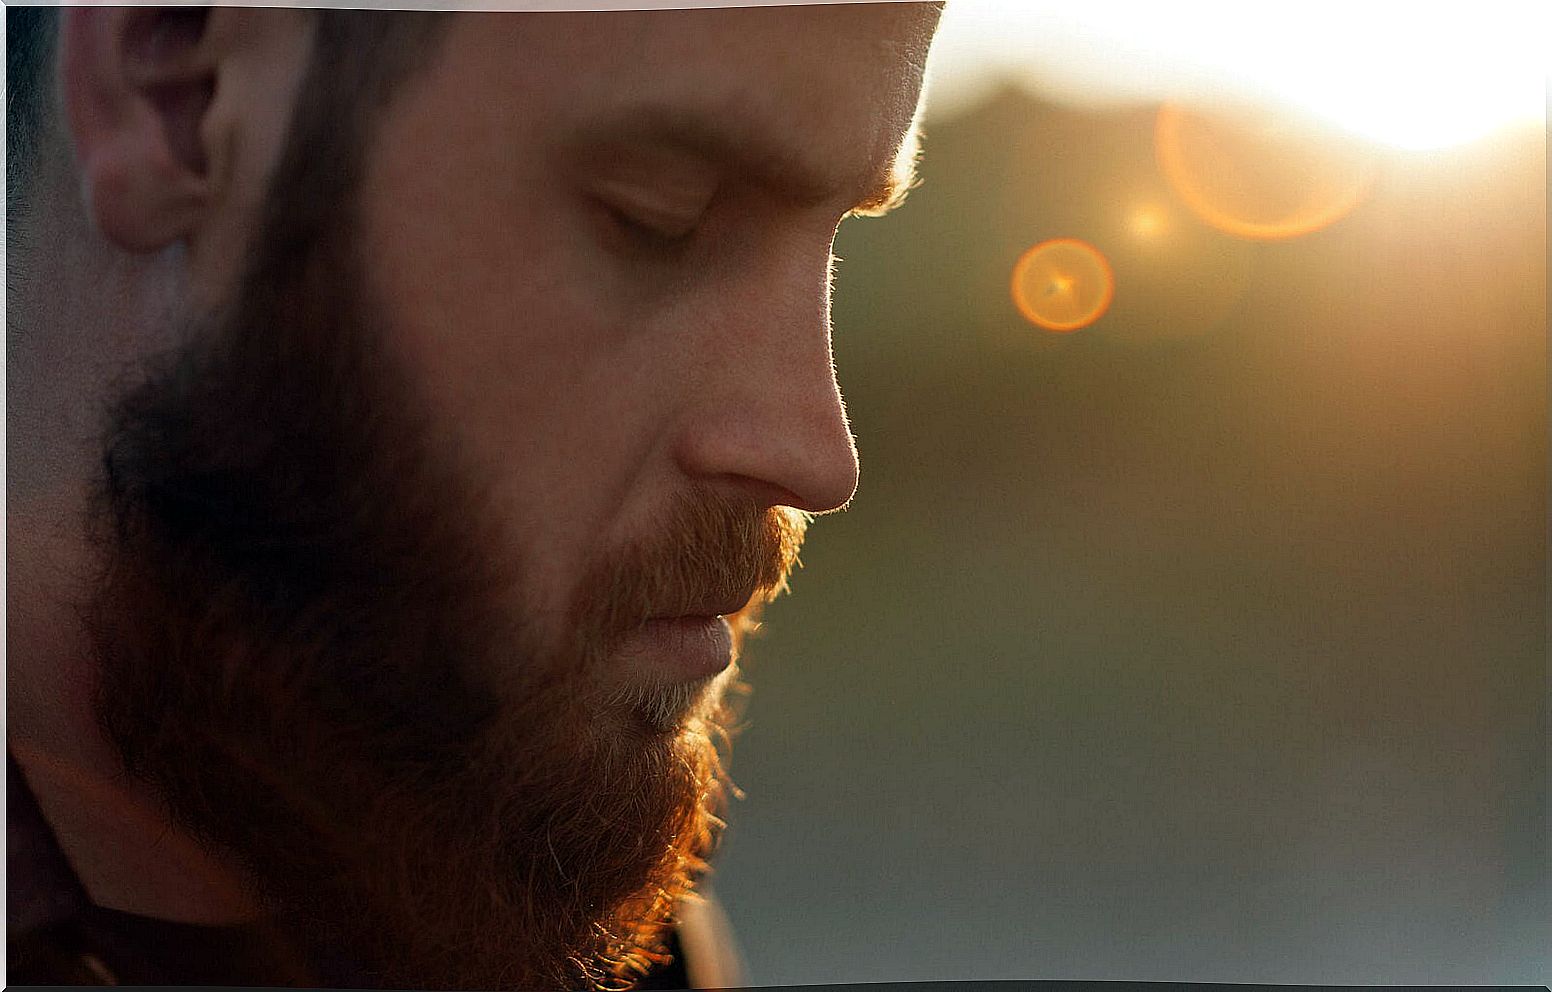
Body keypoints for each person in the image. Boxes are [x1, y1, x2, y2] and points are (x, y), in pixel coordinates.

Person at [6, 3, 941, 989]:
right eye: (656, 213)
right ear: (178, 92)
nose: (818, 455)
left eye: (833, 244)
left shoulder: (550, 895)